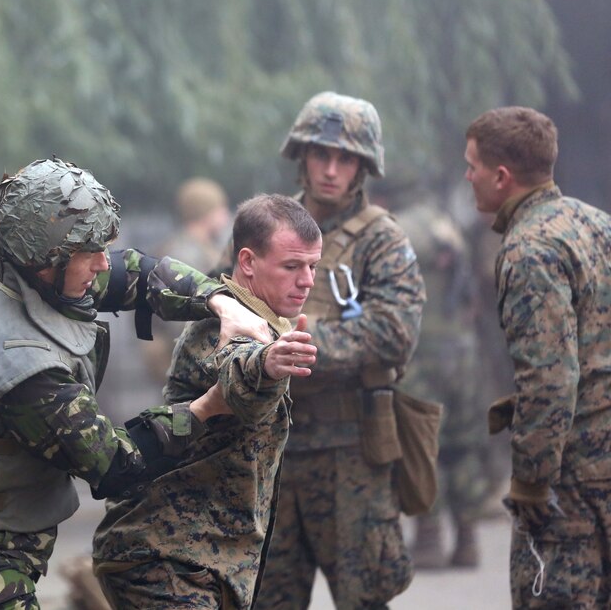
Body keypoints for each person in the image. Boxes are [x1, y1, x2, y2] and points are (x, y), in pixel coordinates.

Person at [0, 157, 268, 608]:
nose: (101, 263)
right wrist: (207, 408)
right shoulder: (22, 370)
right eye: (90, 252)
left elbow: (136, 273)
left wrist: (218, 300)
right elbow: (113, 462)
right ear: (46, 259)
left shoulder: (14, 270)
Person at [91, 194, 320, 608]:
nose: (307, 280)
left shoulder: (265, 320)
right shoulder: (221, 328)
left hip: (201, 560)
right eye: (292, 266)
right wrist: (266, 366)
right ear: (247, 262)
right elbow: (239, 377)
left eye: (312, 266)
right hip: (164, 557)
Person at [254, 92, 425, 610]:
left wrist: (297, 347)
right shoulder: (264, 228)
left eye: (345, 158)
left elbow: (394, 330)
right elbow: (220, 308)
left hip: (352, 455)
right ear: (301, 155)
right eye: (321, 154)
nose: (331, 169)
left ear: (362, 167)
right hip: (272, 449)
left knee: (363, 598)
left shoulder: (382, 240)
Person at [464, 106, 611, 608]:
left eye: (473, 166)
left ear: (501, 177)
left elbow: (551, 379)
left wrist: (530, 481)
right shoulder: (597, 225)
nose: (468, 176)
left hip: (572, 479)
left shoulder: (529, 249)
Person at [390, 198, 488, 568]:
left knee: (423, 445)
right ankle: (468, 539)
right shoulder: (445, 224)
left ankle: (429, 539)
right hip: (462, 351)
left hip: (421, 354)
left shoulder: (399, 229)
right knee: (463, 446)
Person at [140, 177, 232, 384]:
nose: (226, 216)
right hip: (186, 365)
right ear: (206, 212)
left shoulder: (200, 249)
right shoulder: (185, 255)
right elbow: (181, 319)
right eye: (221, 208)